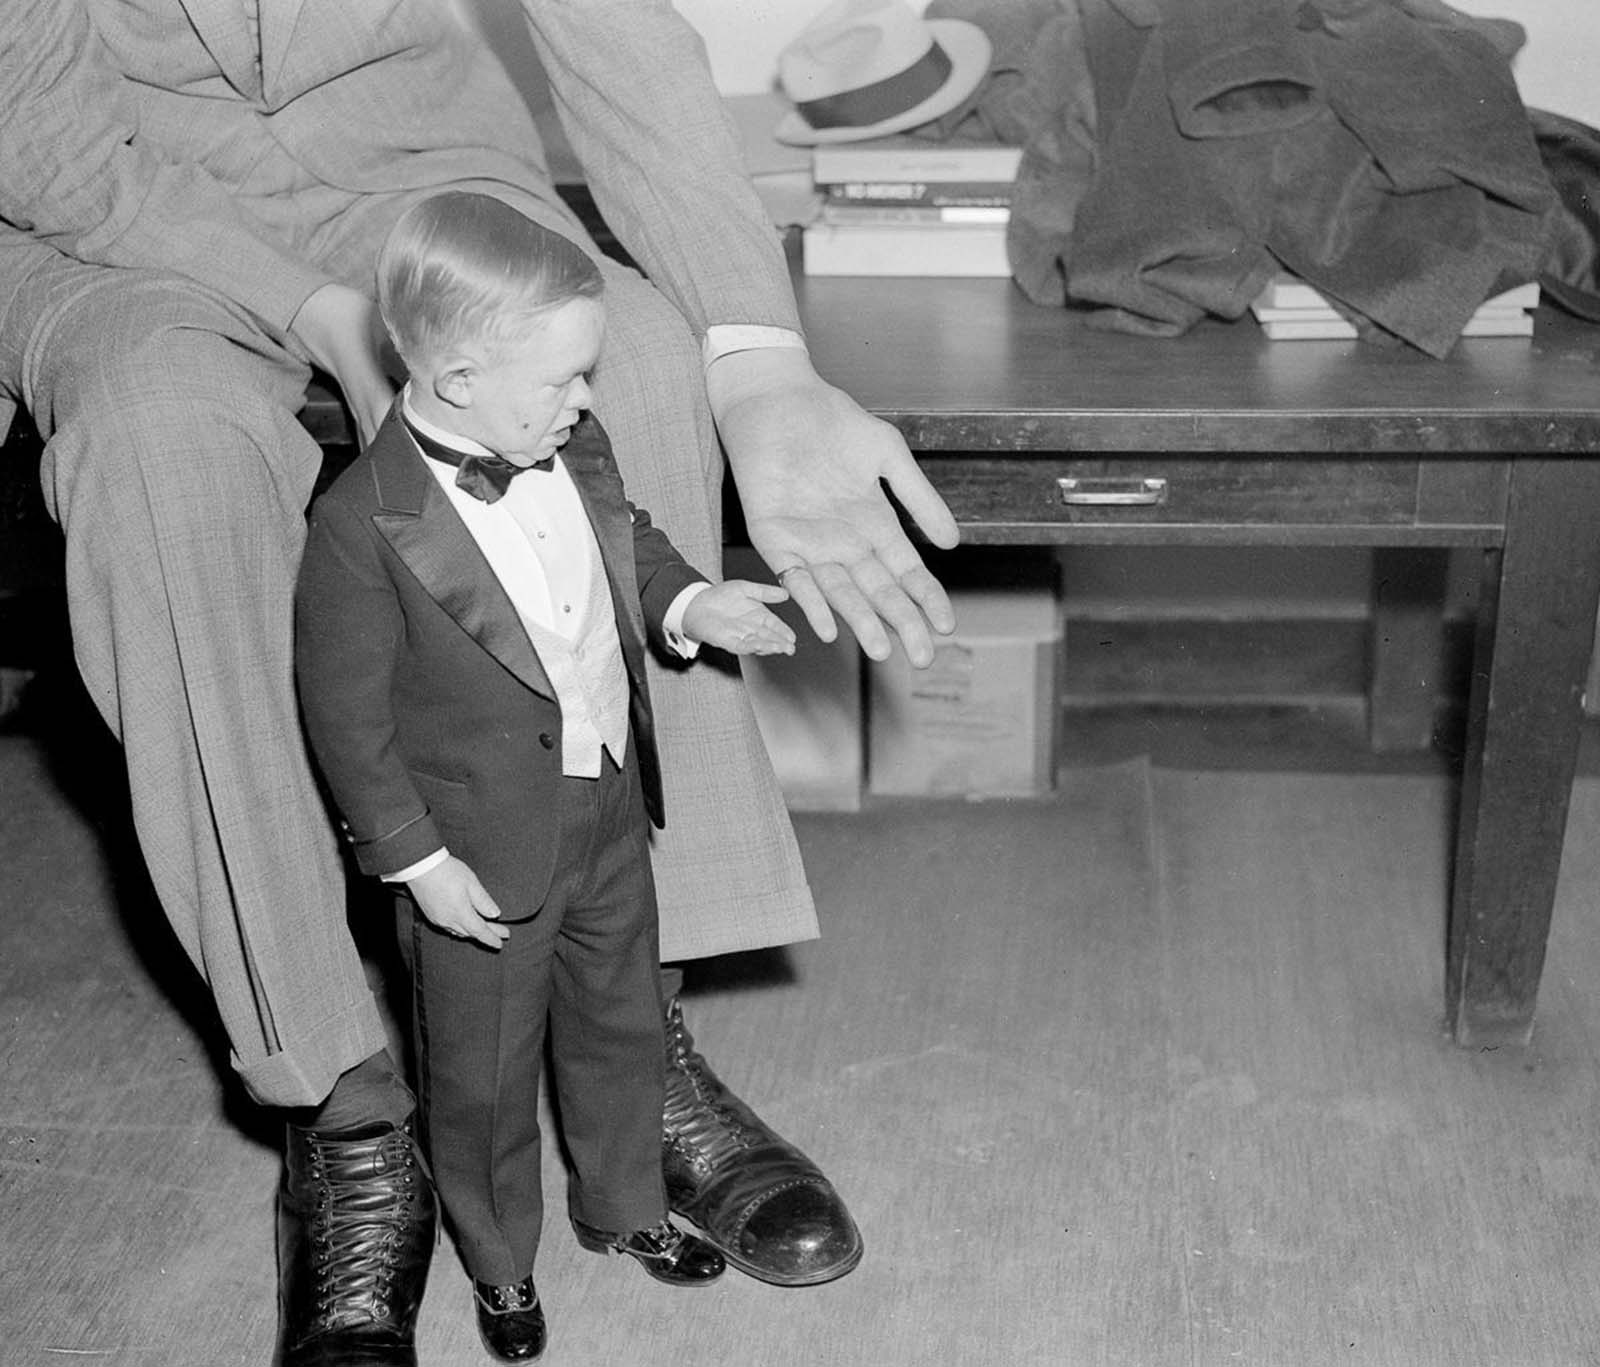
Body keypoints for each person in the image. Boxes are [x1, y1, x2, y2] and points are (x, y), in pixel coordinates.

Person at [0, 2, 959, 1362]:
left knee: (622, 361)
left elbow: (619, 34)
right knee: (164, 462)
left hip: (425, 174)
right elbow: (35, 117)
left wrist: (761, 362)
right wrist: (318, 314)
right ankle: (342, 1107)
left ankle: (635, 1030)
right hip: (119, 216)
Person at [297, 192, 805, 1362]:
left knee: (623, 1022)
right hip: (475, 852)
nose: (584, 400)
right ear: (460, 377)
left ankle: (624, 1204)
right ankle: (500, 1264)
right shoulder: (361, 523)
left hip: (608, 807)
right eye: (564, 379)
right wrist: (414, 859)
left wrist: (690, 599)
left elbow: (623, 536)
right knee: (478, 1077)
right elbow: (346, 716)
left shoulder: (568, 442)